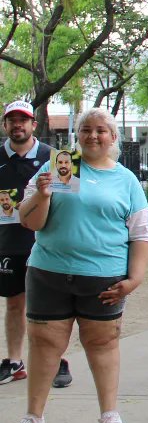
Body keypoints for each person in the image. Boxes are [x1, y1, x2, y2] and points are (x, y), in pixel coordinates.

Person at [3, 108, 148, 423]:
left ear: (113, 138)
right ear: (78, 135)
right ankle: (33, 417)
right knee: (44, 345)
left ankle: (109, 415)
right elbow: (30, 222)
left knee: (103, 343)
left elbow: (141, 233)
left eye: (101, 130)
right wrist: (42, 194)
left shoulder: (126, 180)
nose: (93, 136)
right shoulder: (56, 168)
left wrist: (135, 278)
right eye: (86, 130)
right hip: (48, 272)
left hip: (104, 278)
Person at [0, 102, 73, 390]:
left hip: (48, 241)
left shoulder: (56, 158)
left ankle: (58, 360)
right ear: (6, 126)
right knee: (14, 302)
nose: (18, 125)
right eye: (12, 120)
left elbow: (70, 201)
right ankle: (14, 361)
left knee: (53, 306)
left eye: (23, 120)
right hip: (9, 244)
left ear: (33, 125)